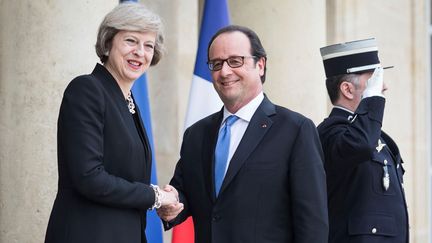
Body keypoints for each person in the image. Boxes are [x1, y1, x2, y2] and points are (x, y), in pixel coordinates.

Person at [157, 25, 329, 243]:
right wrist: (172, 204)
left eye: (235, 61)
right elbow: (186, 195)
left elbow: (312, 222)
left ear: (261, 65)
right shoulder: (196, 134)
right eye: (216, 64)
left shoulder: (295, 130)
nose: (225, 72)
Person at [44, 3, 180, 243]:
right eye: (130, 41)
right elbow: (89, 177)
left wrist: (162, 201)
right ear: (108, 43)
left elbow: (126, 177)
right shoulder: (87, 89)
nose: (140, 52)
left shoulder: (128, 102)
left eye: (148, 45)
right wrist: (155, 196)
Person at [317, 38, 409, 243]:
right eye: (374, 80)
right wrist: (372, 99)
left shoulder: (374, 135)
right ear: (347, 89)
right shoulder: (330, 134)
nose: (383, 86)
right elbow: (361, 145)